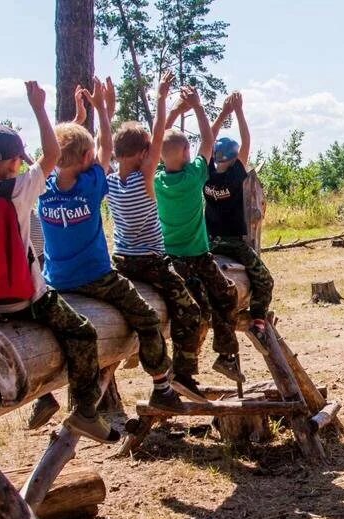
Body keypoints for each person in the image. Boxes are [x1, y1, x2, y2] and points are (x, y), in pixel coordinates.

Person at [0, 78, 115, 443]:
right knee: (82, 332)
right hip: (27, 300)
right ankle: (86, 411)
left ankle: (31, 401)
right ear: (14, 162)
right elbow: (52, 156)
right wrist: (38, 107)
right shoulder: (20, 189)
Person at [29, 77, 184, 432]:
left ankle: (43, 396)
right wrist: (100, 110)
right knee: (146, 317)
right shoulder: (91, 186)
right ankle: (162, 385)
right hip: (97, 278)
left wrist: (78, 115)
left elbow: (58, 152)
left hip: (58, 282)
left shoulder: (43, 187)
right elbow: (100, 148)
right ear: (87, 160)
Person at [99, 72, 206, 399]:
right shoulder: (145, 178)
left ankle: (145, 355)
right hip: (151, 263)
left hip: (122, 262)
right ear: (143, 154)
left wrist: (105, 109)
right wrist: (161, 100)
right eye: (150, 151)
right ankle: (184, 374)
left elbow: (106, 142)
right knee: (191, 312)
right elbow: (159, 134)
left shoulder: (108, 177)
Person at [155, 86, 244, 384]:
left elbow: (161, 143)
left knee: (210, 300)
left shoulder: (156, 181)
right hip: (194, 257)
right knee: (219, 299)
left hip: (173, 258)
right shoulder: (194, 176)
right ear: (185, 153)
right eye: (187, 149)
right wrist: (197, 106)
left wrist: (173, 112)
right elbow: (208, 139)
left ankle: (214, 360)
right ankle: (202, 364)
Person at [203, 90, 275, 336]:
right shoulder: (235, 175)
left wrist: (223, 113)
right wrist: (239, 112)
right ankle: (257, 319)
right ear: (235, 159)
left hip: (208, 242)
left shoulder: (205, 173)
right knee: (264, 279)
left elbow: (207, 138)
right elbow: (247, 142)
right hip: (233, 243)